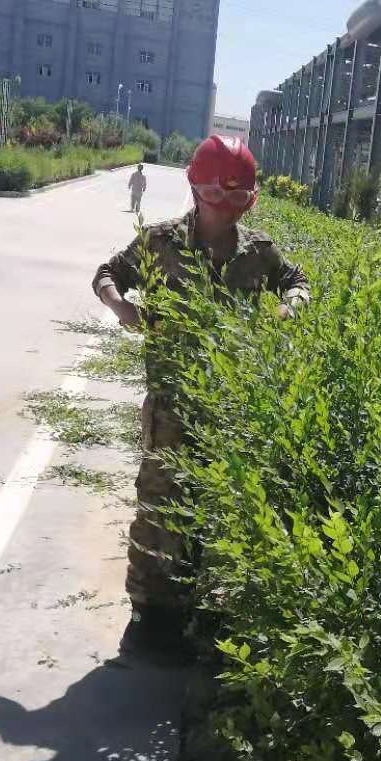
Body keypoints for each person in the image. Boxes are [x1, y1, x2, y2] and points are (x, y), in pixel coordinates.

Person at [93, 134, 311, 651]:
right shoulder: (160, 242)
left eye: (238, 196)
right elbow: (107, 274)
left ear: (250, 199)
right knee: (160, 510)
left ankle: (209, 613)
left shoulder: (259, 253)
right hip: (171, 406)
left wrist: (289, 308)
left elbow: (298, 282)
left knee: (221, 510)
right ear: (195, 190)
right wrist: (122, 308)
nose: (225, 207)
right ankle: (151, 615)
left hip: (231, 407)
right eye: (216, 194)